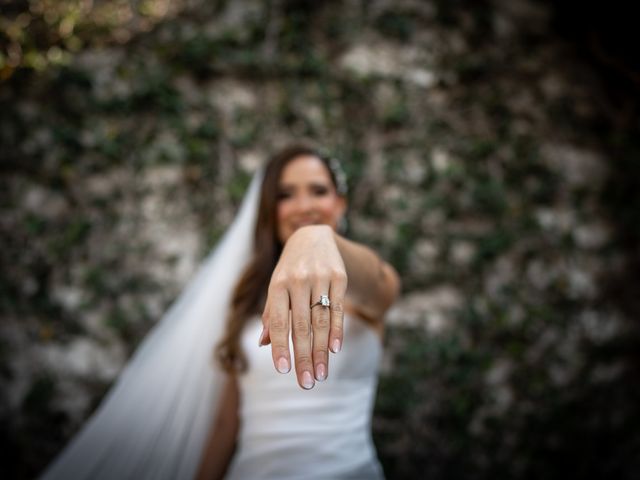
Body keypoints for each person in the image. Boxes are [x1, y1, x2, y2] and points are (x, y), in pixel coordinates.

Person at [41, 144, 399, 480]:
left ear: (340, 203)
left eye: (318, 191)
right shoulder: (245, 297)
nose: (304, 205)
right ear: (267, 210)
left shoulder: (368, 285)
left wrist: (318, 238)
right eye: (285, 194)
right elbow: (227, 424)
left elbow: (374, 284)